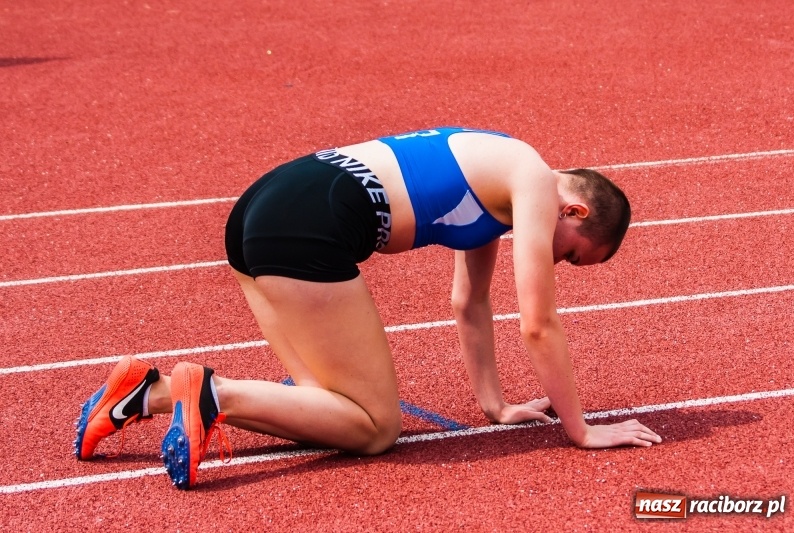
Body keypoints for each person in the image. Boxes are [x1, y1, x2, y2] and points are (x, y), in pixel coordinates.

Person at [74, 126, 662, 490]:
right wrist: (581, 430)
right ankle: (212, 392)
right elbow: (538, 323)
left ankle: (143, 392)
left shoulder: (502, 184)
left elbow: (470, 303)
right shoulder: (533, 179)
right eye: (575, 258)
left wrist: (496, 406)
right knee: (378, 428)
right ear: (576, 214)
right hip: (310, 222)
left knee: (329, 415)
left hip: (270, 202)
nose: (560, 265)